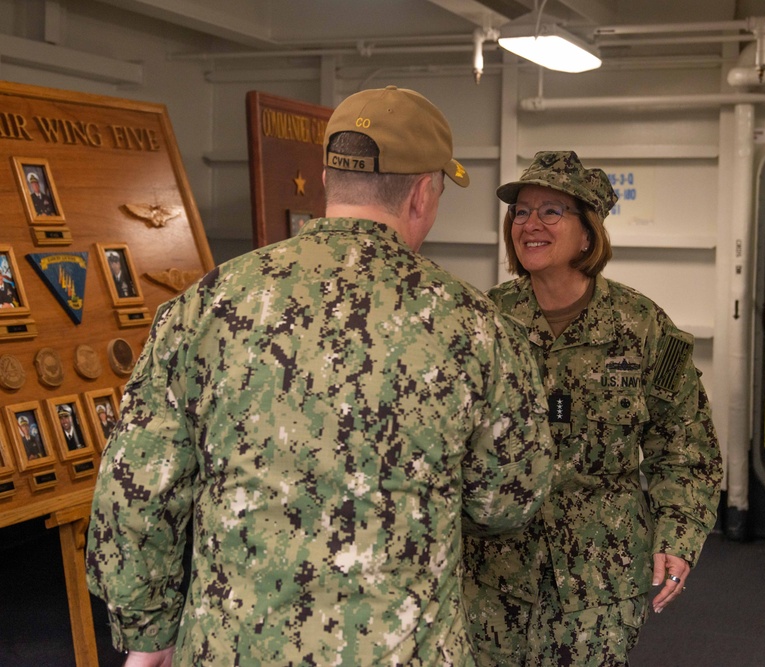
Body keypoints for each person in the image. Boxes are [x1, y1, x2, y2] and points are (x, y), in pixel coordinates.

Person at [86, 85, 555, 667]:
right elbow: (508, 500)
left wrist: (148, 635)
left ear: (329, 179)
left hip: (233, 649)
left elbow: (135, 493)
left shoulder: (206, 306)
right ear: (423, 193)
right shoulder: (476, 328)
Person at [462, 150, 723, 666]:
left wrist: (678, 536)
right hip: (493, 575)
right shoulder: (483, 320)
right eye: (521, 211)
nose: (529, 224)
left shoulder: (643, 327)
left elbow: (685, 448)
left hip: (598, 579)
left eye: (550, 211)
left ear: (589, 234)